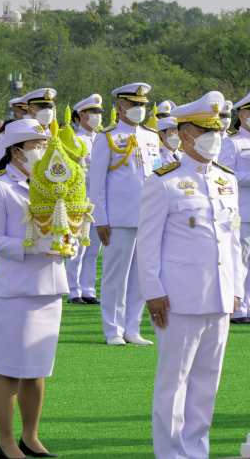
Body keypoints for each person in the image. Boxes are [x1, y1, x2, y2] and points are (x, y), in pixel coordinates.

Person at [137, 91, 242, 459]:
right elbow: (146, 243)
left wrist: (237, 288)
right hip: (177, 299)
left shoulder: (225, 179)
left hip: (219, 296)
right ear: (184, 135)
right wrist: (152, 290)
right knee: (173, 385)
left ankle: (196, 451)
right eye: (207, 129)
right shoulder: (162, 181)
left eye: (219, 129)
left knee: (206, 384)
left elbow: (231, 240)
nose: (216, 136)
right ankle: (171, 454)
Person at [0, 119, 66, 459]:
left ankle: (31, 436)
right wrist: (33, 247)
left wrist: (67, 239)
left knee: (37, 369)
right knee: (9, 368)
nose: (43, 151)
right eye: (36, 146)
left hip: (49, 284)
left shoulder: (52, 183)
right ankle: (6, 441)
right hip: (14, 288)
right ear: (16, 152)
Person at [89, 83, 160, 346]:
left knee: (142, 276)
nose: (139, 109)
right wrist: (101, 219)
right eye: (134, 105)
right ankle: (113, 330)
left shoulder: (152, 137)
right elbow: (95, 182)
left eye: (142, 105)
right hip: (118, 217)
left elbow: (156, 175)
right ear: (120, 108)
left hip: (149, 216)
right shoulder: (106, 137)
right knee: (116, 276)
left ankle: (132, 328)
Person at [65, 94, 104, 305]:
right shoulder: (72, 139)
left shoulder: (103, 137)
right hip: (79, 198)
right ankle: (73, 290)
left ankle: (88, 289)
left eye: (99, 113)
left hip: (98, 200)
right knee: (77, 248)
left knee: (93, 249)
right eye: (94, 113)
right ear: (82, 115)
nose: (98, 116)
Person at [218, 91, 250, 324]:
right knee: (240, 259)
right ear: (242, 114)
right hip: (242, 212)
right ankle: (239, 308)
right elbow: (225, 177)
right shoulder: (233, 142)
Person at [0, 90, 56, 175]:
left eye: (50, 107)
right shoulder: (7, 136)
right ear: (30, 111)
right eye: (42, 108)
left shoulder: (57, 136)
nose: (47, 112)